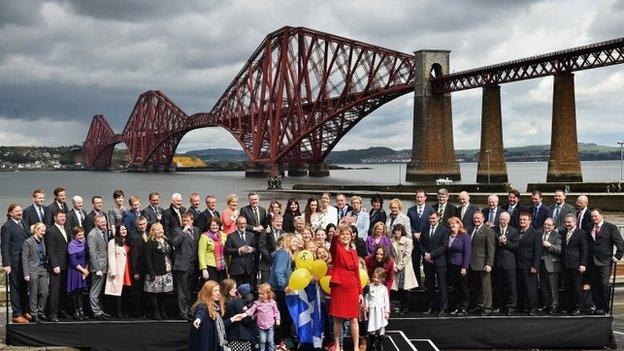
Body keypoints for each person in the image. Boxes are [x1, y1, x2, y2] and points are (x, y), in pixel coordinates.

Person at [329, 225, 362, 351]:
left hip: (352, 287)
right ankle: (337, 345)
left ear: (351, 236)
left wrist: (360, 292)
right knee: (337, 318)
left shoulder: (354, 252)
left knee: (354, 318)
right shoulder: (336, 249)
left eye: (347, 234)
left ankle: (356, 347)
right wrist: (336, 233)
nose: (345, 236)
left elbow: (357, 273)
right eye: (343, 234)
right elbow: (333, 243)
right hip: (339, 287)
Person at [189, 280, 246, 351]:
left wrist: (233, 319)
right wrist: (198, 319)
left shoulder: (215, 307)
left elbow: (218, 326)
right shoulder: (203, 305)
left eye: (218, 291)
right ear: (208, 292)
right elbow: (201, 312)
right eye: (215, 291)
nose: (218, 293)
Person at [587, 209, 623, 315]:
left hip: (605, 261)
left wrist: (617, 256)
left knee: (604, 284)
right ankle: (597, 307)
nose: (594, 218)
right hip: (591, 261)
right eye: (592, 216)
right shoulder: (589, 227)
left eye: (596, 216)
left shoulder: (611, 227)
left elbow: (620, 243)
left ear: (601, 216)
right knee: (594, 285)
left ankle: (605, 308)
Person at [268, 232, 298, 350]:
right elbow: (278, 272)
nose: (296, 243)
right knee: (283, 317)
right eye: (294, 241)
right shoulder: (283, 254)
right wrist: (284, 285)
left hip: (280, 289)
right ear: (287, 242)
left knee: (283, 316)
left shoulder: (286, 254)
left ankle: (280, 342)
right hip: (279, 290)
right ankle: (280, 342)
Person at [2, 204, 30, 324]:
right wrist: (6, 264)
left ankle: (24, 311)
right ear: (10, 213)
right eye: (17, 211)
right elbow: (4, 246)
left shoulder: (24, 223)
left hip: (25, 260)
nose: (19, 212)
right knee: (16, 287)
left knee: (24, 287)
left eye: (20, 210)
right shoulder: (7, 227)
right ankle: (17, 314)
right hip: (14, 261)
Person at [172, 212, 200, 321]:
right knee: (182, 290)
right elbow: (175, 243)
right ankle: (182, 312)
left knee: (190, 289)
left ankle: (190, 310)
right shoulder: (178, 231)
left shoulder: (197, 230)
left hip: (194, 264)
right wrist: (184, 231)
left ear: (192, 221)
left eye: (187, 221)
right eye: (183, 221)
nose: (185, 223)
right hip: (182, 265)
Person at [143, 222, 174, 320]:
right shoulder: (149, 243)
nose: (161, 231)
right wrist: (152, 273)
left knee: (164, 293)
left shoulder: (166, 241)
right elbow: (147, 259)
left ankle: (163, 311)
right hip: (155, 272)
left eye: (161, 228)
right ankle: (156, 312)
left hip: (167, 271)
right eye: (158, 229)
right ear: (153, 232)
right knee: (155, 293)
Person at [421, 211, 449, 315]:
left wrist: (432, 255)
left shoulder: (444, 230)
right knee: (430, 285)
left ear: (438, 218)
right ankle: (431, 306)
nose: (431, 220)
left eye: (433, 218)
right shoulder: (424, 229)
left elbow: (444, 246)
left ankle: (443, 307)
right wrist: (425, 254)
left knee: (442, 285)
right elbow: (421, 244)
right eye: (430, 218)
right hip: (427, 262)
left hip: (439, 261)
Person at [45, 210, 71, 322]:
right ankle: (53, 314)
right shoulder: (51, 231)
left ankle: (61, 311)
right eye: (60, 217)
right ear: (55, 218)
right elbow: (50, 250)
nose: (62, 218)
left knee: (63, 290)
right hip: (56, 266)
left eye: (64, 217)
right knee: (55, 291)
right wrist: (55, 265)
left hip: (66, 265)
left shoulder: (66, 229)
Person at [22, 222, 49, 323]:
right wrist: (26, 274)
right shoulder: (28, 242)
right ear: (36, 230)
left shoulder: (43, 241)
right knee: (33, 293)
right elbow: (24, 258)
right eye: (42, 230)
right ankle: (34, 314)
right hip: (32, 270)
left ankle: (40, 311)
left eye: (44, 230)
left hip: (43, 269)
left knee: (45, 292)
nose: (43, 232)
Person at [469, 211, 495, 315]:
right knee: (478, 286)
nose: (476, 220)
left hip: (484, 263)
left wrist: (489, 264)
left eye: (478, 218)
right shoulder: (471, 230)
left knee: (486, 287)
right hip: (473, 263)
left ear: (483, 219)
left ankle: (487, 308)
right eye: (475, 218)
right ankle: (479, 305)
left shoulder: (488, 231)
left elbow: (491, 249)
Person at [516, 212, 542, 316]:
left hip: (529, 265)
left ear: (529, 221)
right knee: (521, 287)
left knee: (531, 288)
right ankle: (522, 307)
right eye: (520, 220)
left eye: (524, 220)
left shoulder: (535, 233)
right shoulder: (517, 232)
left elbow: (538, 251)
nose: (522, 221)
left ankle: (533, 308)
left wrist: (535, 266)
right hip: (518, 264)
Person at [105, 224, 133, 319]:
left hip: (128, 269)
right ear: (117, 231)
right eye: (121, 229)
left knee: (126, 291)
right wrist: (113, 271)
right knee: (118, 292)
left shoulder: (129, 241)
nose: (124, 231)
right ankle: (117, 311)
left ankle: (125, 310)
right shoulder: (112, 242)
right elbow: (111, 257)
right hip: (118, 269)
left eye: (125, 229)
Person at [493, 212, 519, 315]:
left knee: (511, 287)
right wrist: (498, 242)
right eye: (501, 219)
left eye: (504, 219)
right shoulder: (493, 230)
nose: (502, 221)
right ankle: (500, 305)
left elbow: (516, 247)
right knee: (498, 286)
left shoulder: (513, 231)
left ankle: (511, 306)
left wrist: (506, 242)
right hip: (497, 262)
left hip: (509, 263)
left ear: (508, 220)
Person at [390, 224, 418, 315]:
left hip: (404, 267)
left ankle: (406, 308)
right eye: (396, 230)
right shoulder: (391, 241)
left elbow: (407, 255)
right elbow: (390, 255)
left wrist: (399, 267)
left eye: (399, 230)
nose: (397, 232)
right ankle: (401, 306)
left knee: (405, 289)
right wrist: (394, 265)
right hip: (395, 266)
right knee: (398, 288)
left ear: (402, 231)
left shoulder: (408, 241)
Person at [446, 217, 472, 316]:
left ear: (459, 224)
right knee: (455, 287)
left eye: (454, 224)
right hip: (451, 266)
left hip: (461, 266)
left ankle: (464, 307)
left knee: (464, 287)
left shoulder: (464, 236)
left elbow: (467, 252)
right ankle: (456, 307)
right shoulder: (448, 235)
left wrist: (465, 267)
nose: (452, 226)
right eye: (450, 224)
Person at [406, 190, 431, 289]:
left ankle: (428, 283)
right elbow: (408, 224)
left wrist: (422, 234)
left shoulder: (430, 209)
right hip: (414, 241)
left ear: (425, 198)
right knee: (415, 262)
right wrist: (413, 233)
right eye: (418, 197)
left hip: (425, 241)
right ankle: (416, 284)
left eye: (421, 197)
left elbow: (432, 223)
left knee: (427, 263)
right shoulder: (410, 210)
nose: (419, 199)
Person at [221, 279, 255, 351]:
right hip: (239, 336)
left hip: (227, 335)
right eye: (234, 288)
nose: (236, 290)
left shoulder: (221, 302)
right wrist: (254, 316)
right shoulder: (236, 301)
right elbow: (245, 321)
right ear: (229, 290)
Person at [245, 283, 281, 351]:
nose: (260, 295)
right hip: (261, 325)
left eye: (262, 294)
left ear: (268, 294)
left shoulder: (272, 303)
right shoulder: (257, 303)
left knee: (270, 340)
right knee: (262, 340)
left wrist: (277, 319)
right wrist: (246, 313)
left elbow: (276, 312)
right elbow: (252, 310)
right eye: (259, 294)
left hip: (270, 324)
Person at [87, 213, 110, 320]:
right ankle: (96, 312)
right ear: (96, 223)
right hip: (98, 268)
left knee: (100, 291)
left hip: (105, 266)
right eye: (101, 222)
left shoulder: (104, 231)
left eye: (104, 221)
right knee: (95, 291)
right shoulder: (92, 234)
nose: (104, 223)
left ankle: (99, 310)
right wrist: (97, 269)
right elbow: (93, 253)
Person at [225, 216, 257, 286]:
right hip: (236, 269)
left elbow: (256, 248)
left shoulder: (251, 235)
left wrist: (252, 249)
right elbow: (226, 250)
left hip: (249, 269)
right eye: (240, 223)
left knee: (248, 291)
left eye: (244, 223)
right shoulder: (231, 236)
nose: (242, 225)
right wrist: (239, 250)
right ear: (236, 224)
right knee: (235, 291)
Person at [539, 218, 562, 314]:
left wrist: (549, 246)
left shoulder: (557, 236)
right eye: (545, 224)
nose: (547, 226)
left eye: (549, 225)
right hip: (541, 264)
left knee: (552, 287)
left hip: (552, 264)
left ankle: (554, 305)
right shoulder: (539, 233)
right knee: (543, 286)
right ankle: (546, 303)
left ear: (553, 226)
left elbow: (560, 251)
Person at [365, 267, 390, 351]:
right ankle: (372, 344)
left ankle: (380, 344)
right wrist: (367, 306)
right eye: (374, 277)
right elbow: (367, 297)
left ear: (382, 279)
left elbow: (386, 300)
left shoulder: (384, 288)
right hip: (372, 310)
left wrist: (387, 311)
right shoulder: (370, 287)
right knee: (372, 327)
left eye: (378, 278)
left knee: (381, 327)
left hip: (381, 310)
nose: (375, 279)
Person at [67, 226, 89, 321]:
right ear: (74, 235)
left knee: (80, 292)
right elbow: (73, 262)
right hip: (75, 270)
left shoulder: (85, 243)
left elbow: (88, 257)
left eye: (82, 235)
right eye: (79, 235)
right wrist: (83, 271)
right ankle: (76, 312)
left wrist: (86, 270)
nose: (81, 237)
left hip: (84, 269)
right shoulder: (71, 245)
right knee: (75, 292)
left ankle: (81, 311)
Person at [198, 217, 228, 283]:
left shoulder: (224, 235)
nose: (215, 227)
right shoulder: (204, 236)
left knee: (221, 287)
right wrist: (204, 269)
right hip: (210, 267)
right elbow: (201, 254)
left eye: (216, 225)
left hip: (222, 266)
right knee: (211, 288)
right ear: (209, 226)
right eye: (213, 225)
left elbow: (227, 250)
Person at [131, 216, 149, 317]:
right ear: (137, 226)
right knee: (138, 292)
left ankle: (144, 310)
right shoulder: (135, 237)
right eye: (140, 225)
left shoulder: (148, 234)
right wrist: (135, 272)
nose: (142, 226)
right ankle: (137, 311)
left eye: (144, 224)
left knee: (144, 290)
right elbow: (134, 256)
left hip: (146, 269)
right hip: (139, 269)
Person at [259, 214, 283, 284]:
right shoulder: (265, 232)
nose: (279, 223)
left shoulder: (284, 233)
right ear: (272, 222)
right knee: (266, 287)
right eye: (277, 221)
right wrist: (271, 257)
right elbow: (261, 247)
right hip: (267, 264)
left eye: (280, 222)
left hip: (279, 265)